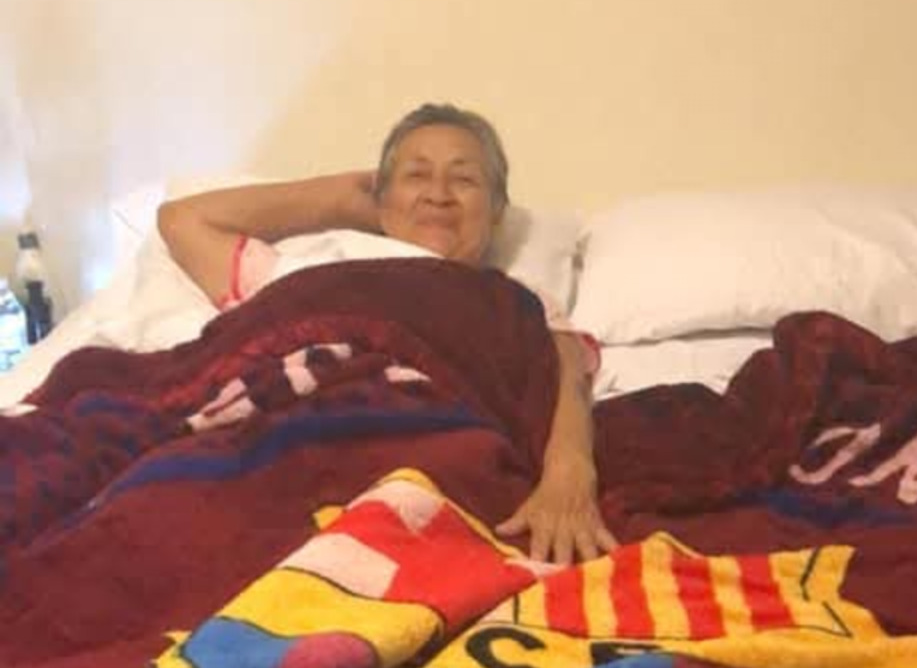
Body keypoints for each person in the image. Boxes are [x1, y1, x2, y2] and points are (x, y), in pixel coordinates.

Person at [158, 103, 617, 565]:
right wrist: (342, 198)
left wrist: (569, 473)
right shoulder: (311, 266)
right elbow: (182, 220)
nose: (438, 194)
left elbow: (567, 381)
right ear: (379, 198)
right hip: (283, 452)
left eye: (464, 179)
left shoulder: (519, 302)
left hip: (439, 467)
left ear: (497, 211)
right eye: (416, 176)